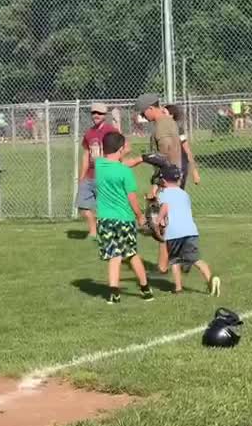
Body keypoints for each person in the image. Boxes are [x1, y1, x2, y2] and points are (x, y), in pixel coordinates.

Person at [94, 131, 154, 304]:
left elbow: (115, 161)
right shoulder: (125, 172)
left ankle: (114, 293)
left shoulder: (99, 165)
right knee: (132, 254)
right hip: (124, 219)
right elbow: (132, 198)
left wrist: (135, 156)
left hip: (104, 219)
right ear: (120, 149)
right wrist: (140, 216)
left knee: (114, 255)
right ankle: (145, 289)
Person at [156, 161, 221, 296]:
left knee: (175, 260)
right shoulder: (184, 194)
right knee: (196, 259)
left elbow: (165, 208)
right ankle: (210, 279)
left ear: (163, 180)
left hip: (174, 233)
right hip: (190, 231)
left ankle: (178, 288)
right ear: (178, 179)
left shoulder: (164, 193)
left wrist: (158, 219)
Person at [75, 102, 121, 238]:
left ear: (105, 115)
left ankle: (108, 231)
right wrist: (82, 175)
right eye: (94, 113)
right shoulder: (89, 133)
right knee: (83, 206)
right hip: (90, 174)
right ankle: (93, 231)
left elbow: (123, 147)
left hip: (105, 175)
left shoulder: (110, 131)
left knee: (107, 206)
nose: (96, 115)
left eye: (99, 113)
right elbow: (86, 154)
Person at [164, 104, 201, 190]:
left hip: (179, 165)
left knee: (176, 191)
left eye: (164, 112)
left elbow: (187, 150)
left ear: (171, 115)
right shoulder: (160, 129)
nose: (161, 115)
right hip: (166, 164)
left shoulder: (177, 130)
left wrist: (194, 172)